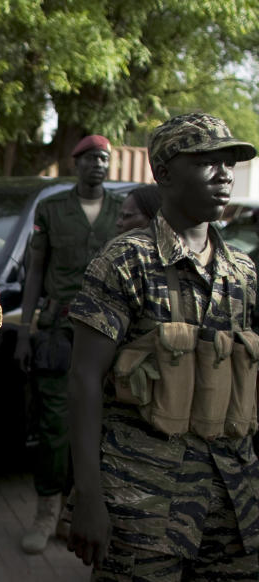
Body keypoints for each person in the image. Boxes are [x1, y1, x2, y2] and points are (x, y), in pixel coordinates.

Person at [67, 113, 259, 580]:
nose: (225, 173)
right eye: (208, 162)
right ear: (165, 172)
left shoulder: (244, 273)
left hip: (236, 507)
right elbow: (84, 380)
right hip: (143, 503)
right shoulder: (126, 262)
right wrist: (89, 497)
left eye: (229, 162)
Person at [15, 134, 122, 554]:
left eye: (104, 158)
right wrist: (25, 332)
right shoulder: (52, 208)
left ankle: (76, 514)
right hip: (60, 330)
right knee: (54, 427)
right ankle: (46, 512)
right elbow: (36, 271)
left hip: (111, 333)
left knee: (101, 426)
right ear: (75, 164)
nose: (98, 164)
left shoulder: (122, 210)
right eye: (90, 158)